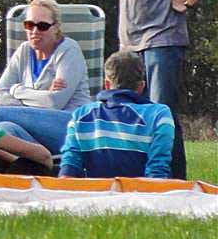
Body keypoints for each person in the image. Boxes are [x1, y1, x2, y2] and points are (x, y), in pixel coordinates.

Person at [95, 0, 217, 179]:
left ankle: (172, 181)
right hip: (128, 41)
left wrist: (189, 2)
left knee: (161, 113)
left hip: (162, 39)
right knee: (127, 109)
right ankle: (138, 176)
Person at [0, 0, 89, 155]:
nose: (34, 31)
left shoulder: (69, 50)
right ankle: (42, 166)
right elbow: (0, 93)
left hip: (70, 127)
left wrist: (16, 90)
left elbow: (54, 102)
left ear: (55, 27)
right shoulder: (24, 50)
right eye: (29, 25)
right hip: (36, 133)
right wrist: (41, 96)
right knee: (4, 129)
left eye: (42, 26)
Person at [60, 51, 175, 179]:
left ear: (107, 84)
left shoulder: (80, 115)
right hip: (141, 191)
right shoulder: (159, 115)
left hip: (96, 191)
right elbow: (157, 170)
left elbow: (69, 167)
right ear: (141, 86)